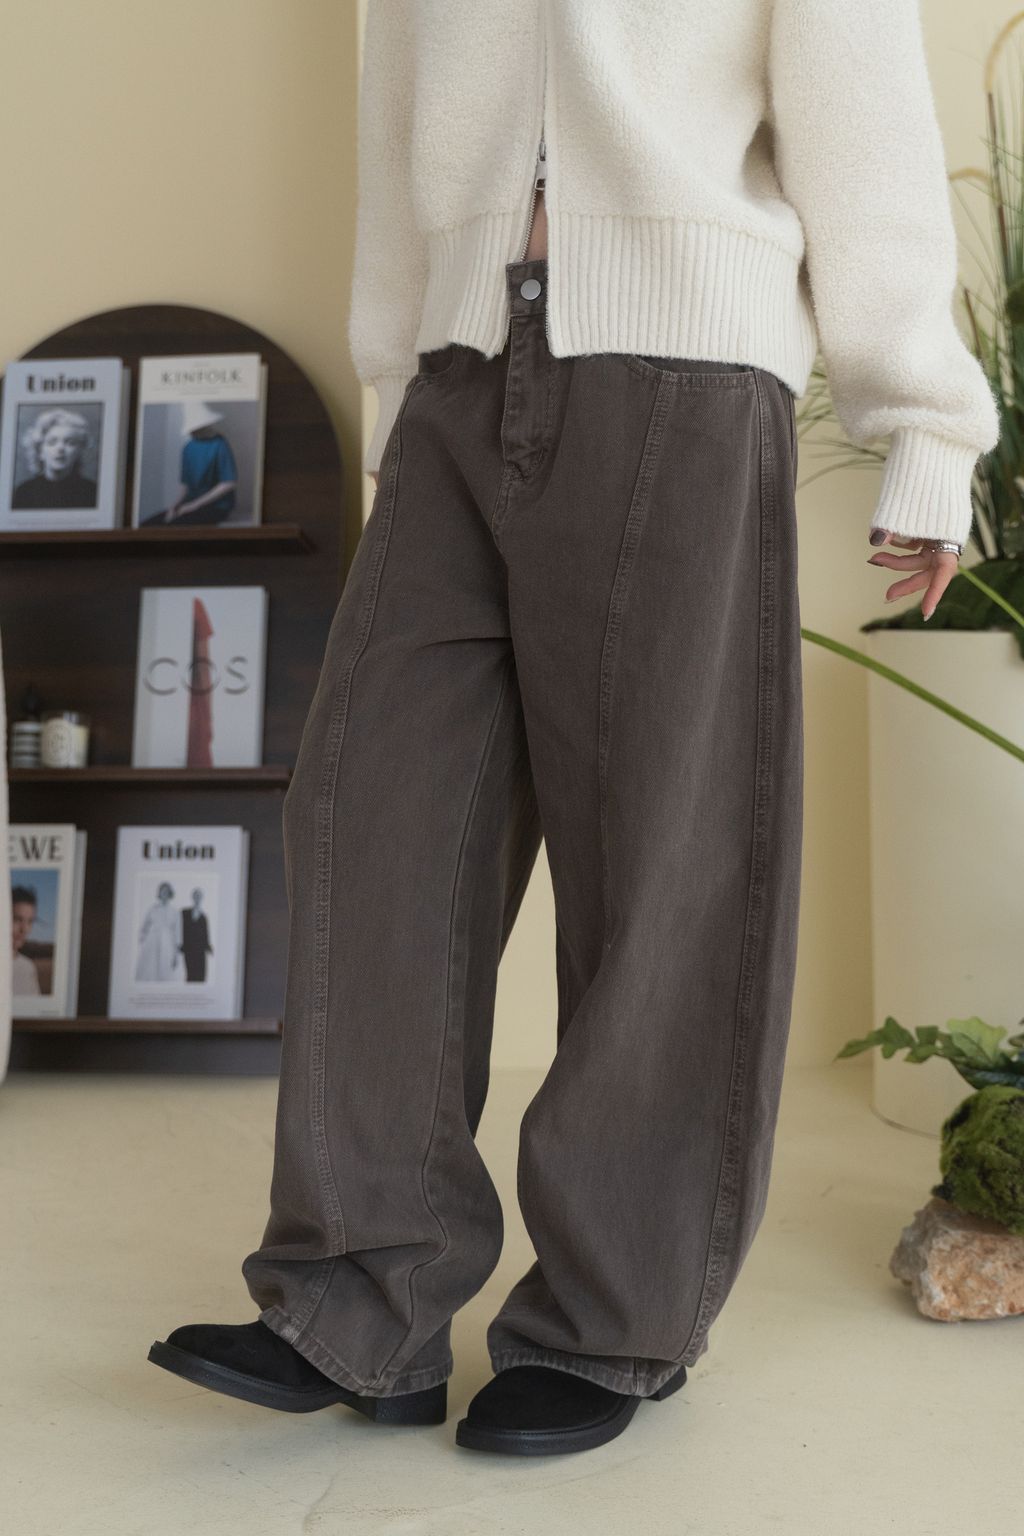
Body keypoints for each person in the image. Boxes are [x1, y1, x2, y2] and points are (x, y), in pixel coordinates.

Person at [149, 0, 1001, 1456]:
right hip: (461, 371)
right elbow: (398, 112)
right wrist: (398, 379)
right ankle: (360, 1299)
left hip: (682, 376)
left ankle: (612, 1320)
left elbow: (860, 102)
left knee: (663, 865)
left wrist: (922, 418)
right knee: (374, 813)